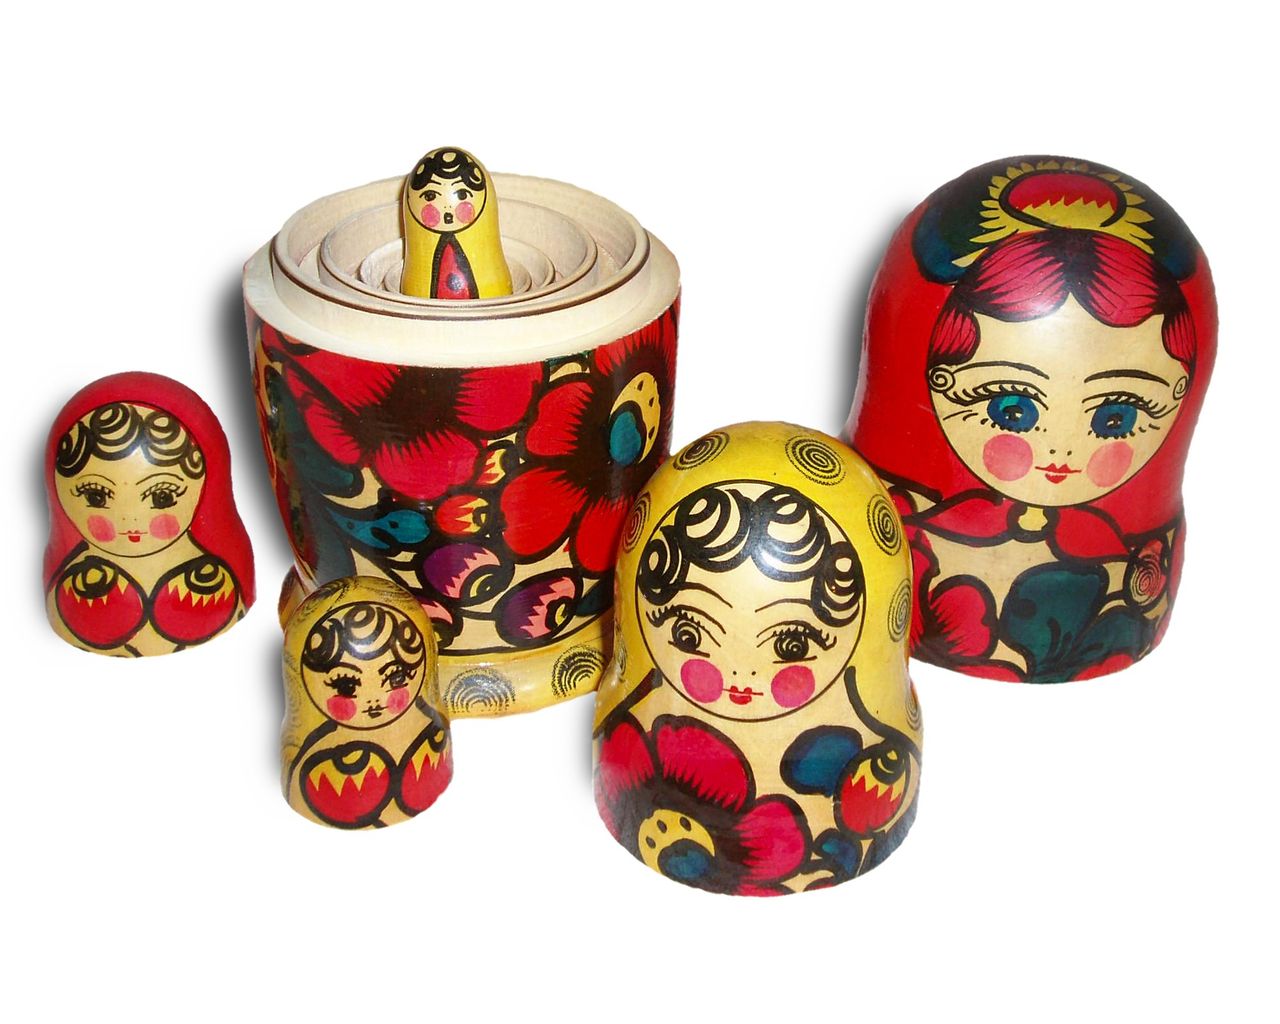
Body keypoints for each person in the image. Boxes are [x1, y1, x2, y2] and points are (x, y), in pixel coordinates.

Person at [44, 372, 254, 656]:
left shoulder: (214, 584)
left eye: (162, 496)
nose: (130, 521)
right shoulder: (72, 588)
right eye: (96, 496)